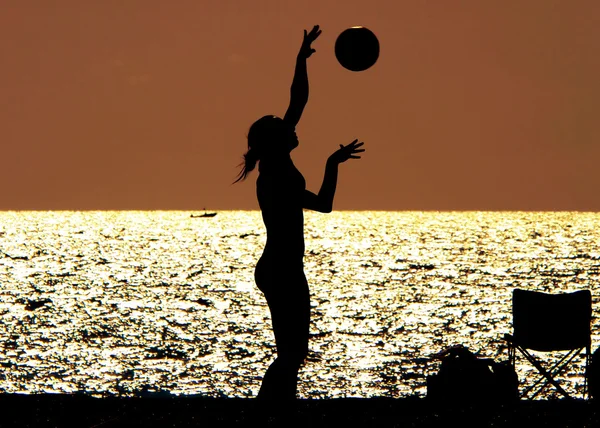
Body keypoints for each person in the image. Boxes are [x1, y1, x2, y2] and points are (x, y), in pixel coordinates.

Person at [234, 25, 365, 400]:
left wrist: (300, 60)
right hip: (280, 269)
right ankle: (269, 410)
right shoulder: (275, 172)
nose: (291, 127)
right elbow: (323, 204)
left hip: (286, 267)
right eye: (282, 127)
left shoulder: (280, 161)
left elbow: (298, 100)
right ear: (276, 140)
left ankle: (277, 409)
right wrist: (332, 163)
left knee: (294, 353)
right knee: (290, 354)